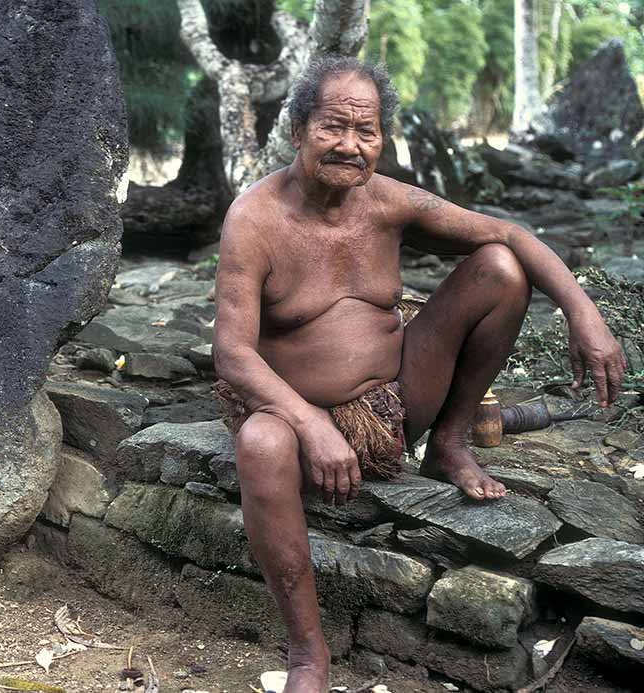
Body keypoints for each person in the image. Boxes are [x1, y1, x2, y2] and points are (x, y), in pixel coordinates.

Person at [211, 55, 626, 693]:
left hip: (396, 404)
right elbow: (234, 355)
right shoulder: (256, 219)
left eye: (367, 131)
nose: (350, 145)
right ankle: (307, 655)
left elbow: (511, 235)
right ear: (297, 130)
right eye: (332, 128)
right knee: (260, 442)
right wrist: (309, 424)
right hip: (293, 413)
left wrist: (583, 314)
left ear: (382, 138)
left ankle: (449, 444)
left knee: (499, 268)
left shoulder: (389, 203)